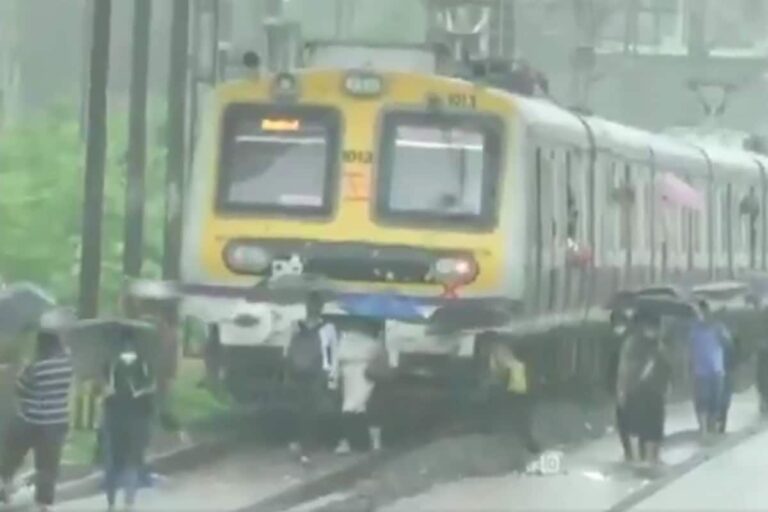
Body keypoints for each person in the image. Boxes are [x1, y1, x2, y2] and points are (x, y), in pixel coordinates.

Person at [0, 330, 73, 512]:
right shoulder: (67, 365)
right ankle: (43, 504)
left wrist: (23, 369)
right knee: (48, 465)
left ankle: (5, 486)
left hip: (30, 420)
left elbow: (21, 389)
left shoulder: (36, 366)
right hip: (56, 422)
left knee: (12, 454)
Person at [100, 335, 155, 511]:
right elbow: (150, 394)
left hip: (113, 420)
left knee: (112, 465)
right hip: (136, 421)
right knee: (131, 462)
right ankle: (128, 504)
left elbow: (105, 395)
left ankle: (111, 504)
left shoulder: (110, 364)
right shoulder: (144, 364)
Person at [286, 291, 340, 464]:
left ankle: (306, 444)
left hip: (317, 372)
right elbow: (289, 348)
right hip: (304, 371)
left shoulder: (326, 328)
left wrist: (333, 373)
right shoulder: (298, 325)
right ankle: (304, 444)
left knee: (311, 409)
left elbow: (334, 353)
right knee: (303, 408)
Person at [617, 313, 670, 468]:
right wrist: (621, 390)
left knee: (653, 428)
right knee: (636, 426)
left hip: (655, 393)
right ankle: (637, 458)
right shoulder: (633, 344)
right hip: (637, 391)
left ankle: (649, 459)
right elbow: (624, 369)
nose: (653, 330)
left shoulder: (660, 346)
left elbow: (667, 369)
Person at [489, 343, 541, 454]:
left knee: (520, 418)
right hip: (520, 391)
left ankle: (527, 443)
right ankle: (528, 443)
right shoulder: (509, 355)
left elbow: (498, 371)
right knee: (522, 418)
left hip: (516, 391)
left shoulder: (498, 351)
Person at [688, 301, 728, 435]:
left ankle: (712, 427)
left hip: (716, 370)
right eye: (699, 313)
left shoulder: (718, 328)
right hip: (700, 371)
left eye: (703, 312)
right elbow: (688, 350)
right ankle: (704, 429)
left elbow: (727, 344)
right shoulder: (694, 329)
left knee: (715, 401)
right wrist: (688, 368)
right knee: (702, 401)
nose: (701, 315)